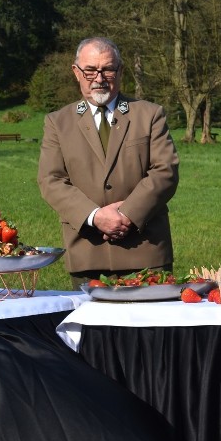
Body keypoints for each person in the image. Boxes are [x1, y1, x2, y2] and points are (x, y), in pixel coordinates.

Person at [38, 37, 180, 284]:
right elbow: (51, 180)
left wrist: (127, 214)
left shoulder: (149, 115)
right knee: (91, 324)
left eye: (108, 70)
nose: (99, 79)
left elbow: (164, 171)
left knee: (151, 324)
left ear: (121, 70)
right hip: (87, 252)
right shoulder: (57, 122)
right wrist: (95, 216)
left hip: (146, 250)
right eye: (90, 70)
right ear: (76, 72)